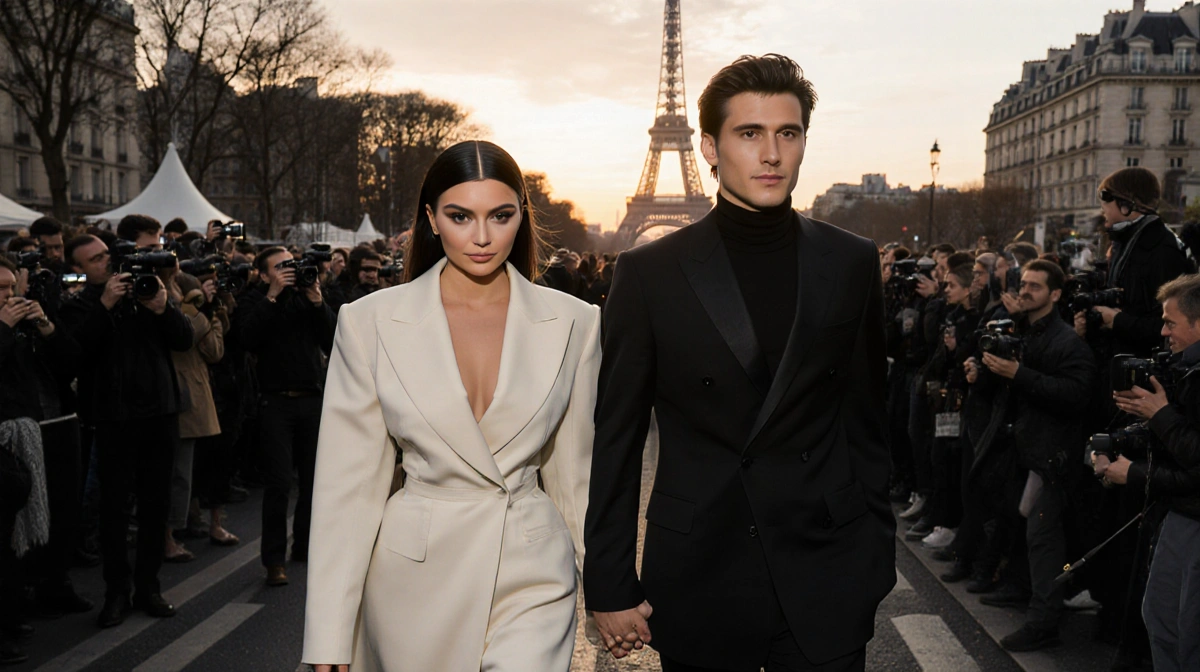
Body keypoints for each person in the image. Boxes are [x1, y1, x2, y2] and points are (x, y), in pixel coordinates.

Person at [584, 54, 894, 672]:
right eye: (749, 133)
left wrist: (873, 551)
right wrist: (610, 581)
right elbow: (616, 437)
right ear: (708, 146)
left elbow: (865, 418)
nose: (771, 153)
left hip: (824, 568)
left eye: (788, 133)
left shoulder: (852, 260)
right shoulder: (648, 272)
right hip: (703, 566)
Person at [302, 140, 599, 672]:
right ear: (431, 220)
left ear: (522, 217)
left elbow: (575, 476)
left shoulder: (577, 322)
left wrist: (605, 588)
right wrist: (329, 633)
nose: (482, 237)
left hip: (533, 574)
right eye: (460, 216)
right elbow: (348, 489)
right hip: (413, 581)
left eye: (500, 215)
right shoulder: (368, 321)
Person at [58, 219, 194, 628]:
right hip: (114, 417)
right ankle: (115, 593)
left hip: (159, 413)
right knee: (114, 510)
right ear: (82, 267)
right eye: (96, 259)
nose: (106, 262)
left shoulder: (149, 291)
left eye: (106, 254)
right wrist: (104, 306)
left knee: (156, 507)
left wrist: (162, 307)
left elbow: (183, 340)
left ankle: (149, 587)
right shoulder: (80, 304)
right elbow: (74, 355)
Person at [1110, 273, 1200, 672]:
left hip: (1192, 517)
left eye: (1170, 322)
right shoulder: (1183, 370)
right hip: (1178, 513)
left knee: (1187, 633)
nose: (1162, 332)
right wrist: (1143, 423)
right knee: (1161, 621)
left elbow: (1197, 456)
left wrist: (1160, 415)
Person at [234, 245, 336, 586]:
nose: (289, 271)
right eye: (280, 267)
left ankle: (305, 546)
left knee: (313, 481)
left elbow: (334, 339)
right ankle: (274, 560)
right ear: (264, 274)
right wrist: (273, 296)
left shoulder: (306, 297)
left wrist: (317, 300)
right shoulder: (256, 300)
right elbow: (246, 338)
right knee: (278, 484)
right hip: (275, 402)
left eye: (291, 265)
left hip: (311, 399)